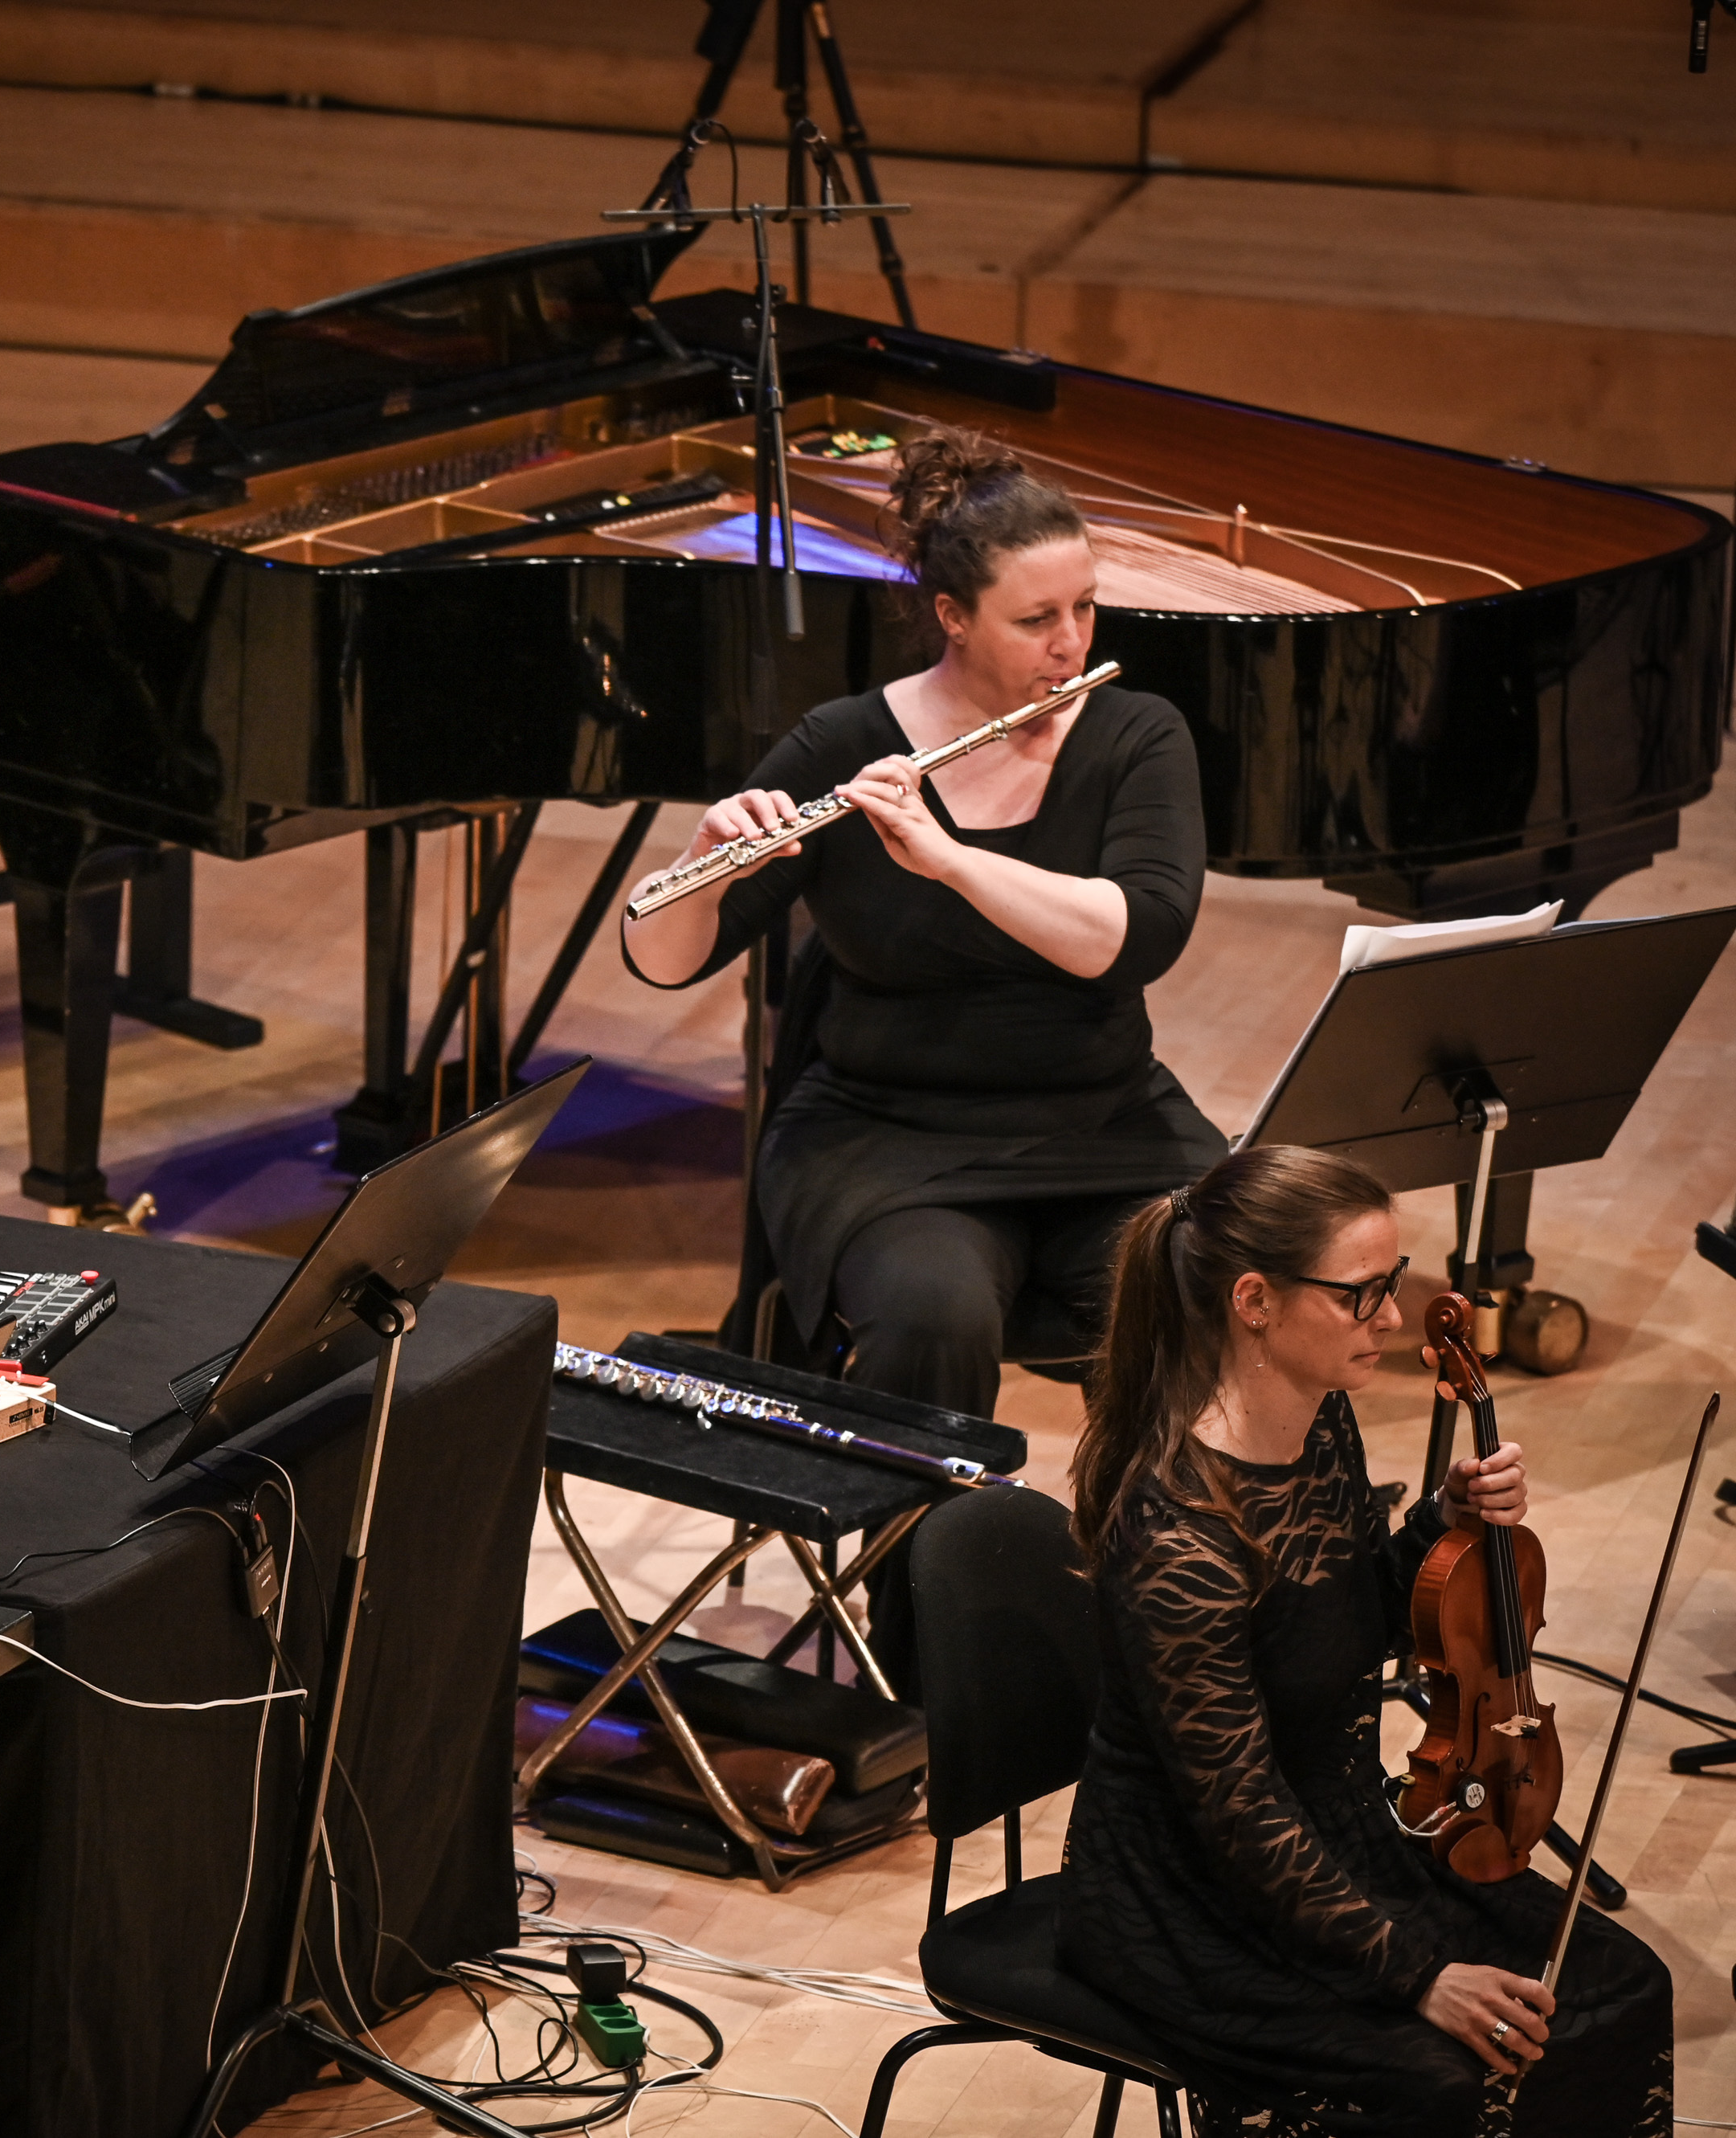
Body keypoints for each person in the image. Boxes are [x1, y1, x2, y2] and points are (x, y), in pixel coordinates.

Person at [1061, 1143, 1671, 2136]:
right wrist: (1418, 1975)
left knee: (1617, 1984)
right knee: (1449, 2076)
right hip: (1194, 1897)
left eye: (1393, 1282)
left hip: (1342, 1839)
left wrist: (1444, 1523)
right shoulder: (1177, 1541)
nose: (1392, 1318)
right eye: (1362, 1295)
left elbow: (1352, 1624)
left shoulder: (1322, 1422)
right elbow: (1239, 1815)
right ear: (1254, 1301)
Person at [620, 426, 1225, 1421]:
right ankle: (920, 1530)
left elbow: (1136, 936)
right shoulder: (845, 744)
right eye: (1036, 620)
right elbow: (661, 961)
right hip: (886, 1138)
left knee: (1227, 1285)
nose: (1072, 643)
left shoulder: (1137, 734)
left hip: (1105, 1121)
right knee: (932, 1316)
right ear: (953, 617)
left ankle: (1185, 1527)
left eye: (1083, 606)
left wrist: (947, 858)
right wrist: (698, 869)